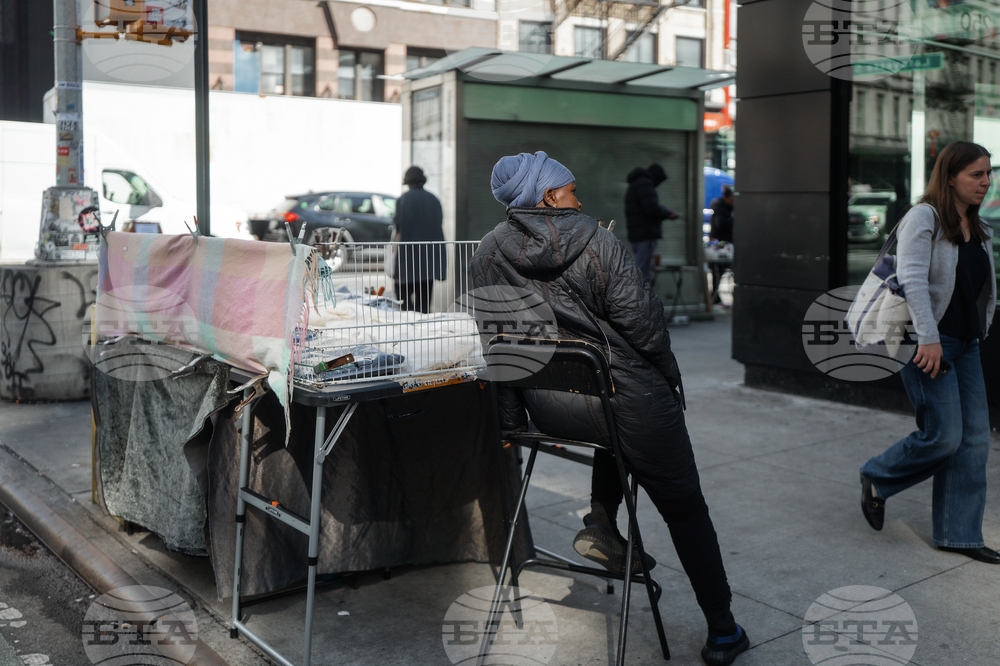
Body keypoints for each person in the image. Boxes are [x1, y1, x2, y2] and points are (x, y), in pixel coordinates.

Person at [473, 151, 750, 666]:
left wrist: (512, 423)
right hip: (621, 399)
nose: (580, 198)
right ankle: (723, 630)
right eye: (572, 189)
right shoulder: (596, 240)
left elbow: (499, 347)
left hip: (552, 406)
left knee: (614, 422)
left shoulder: (488, 252)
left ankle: (602, 520)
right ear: (549, 196)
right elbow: (644, 328)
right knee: (684, 505)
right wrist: (670, 379)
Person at [860, 141, 997, 564]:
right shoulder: (925, 217)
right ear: (951, 176)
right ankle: (876, 477)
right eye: (977, 174)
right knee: (944, 435)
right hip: (926, 344)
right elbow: (913, 280)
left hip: (966, 343)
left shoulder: (979, 226)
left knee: (974, 440)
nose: (986, 182)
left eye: (988, 173)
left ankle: (959, 533)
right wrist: (929, 337)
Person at [392, 166, 446, 313]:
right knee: (424, 305)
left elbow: (398, 229)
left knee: (404, 305)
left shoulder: (403, 200)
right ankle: (423, 332)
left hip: (407, 260)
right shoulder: (434, 199)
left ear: (407, 182)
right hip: (428, 259)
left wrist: (393, 252)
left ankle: (408, 332)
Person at [625, 163, 680, 283]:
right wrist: (667, 213)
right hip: (645, 235)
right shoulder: (645, 184)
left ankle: (638, 298)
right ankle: (638, 300)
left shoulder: (635, 184)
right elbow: (652, 209)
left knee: (640, 271)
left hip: (636, 235)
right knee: (642, 276)